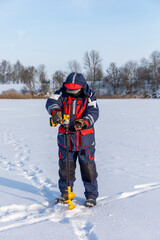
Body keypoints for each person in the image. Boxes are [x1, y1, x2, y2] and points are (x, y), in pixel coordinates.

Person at [46, 72, 99, 207]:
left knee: (88, 168)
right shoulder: (61, 93)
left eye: (74, 89)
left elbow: (93, 112)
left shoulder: (89, 95)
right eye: (69, 89)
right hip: (66, 139)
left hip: (85, 140)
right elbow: (51, 101)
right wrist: (55, 112)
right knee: (65, 167)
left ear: (81, 87)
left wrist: (84, 122)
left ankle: (91, 195)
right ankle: (65, 193)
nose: (71, 92)